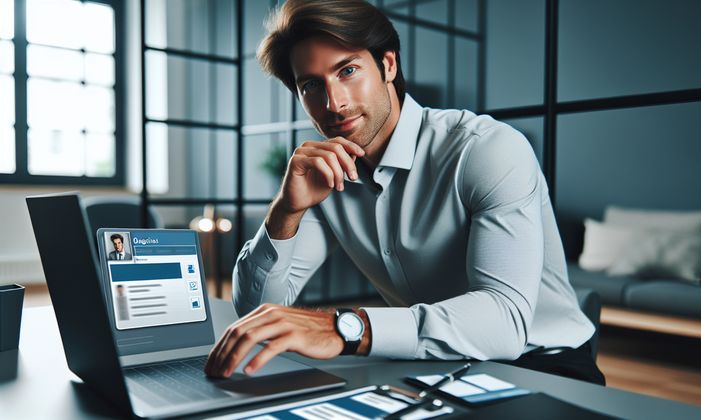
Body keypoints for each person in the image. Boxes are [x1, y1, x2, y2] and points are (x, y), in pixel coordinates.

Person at [205, 0, 605, 385]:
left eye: (347, 71)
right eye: (311, 85)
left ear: (388, 64)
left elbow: (503, 322)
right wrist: (285, 213)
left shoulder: (486, 149)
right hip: (432, 361)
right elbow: (259, 313)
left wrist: (343, 327)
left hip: (543, 364)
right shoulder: (327, 173)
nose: (334, 103)